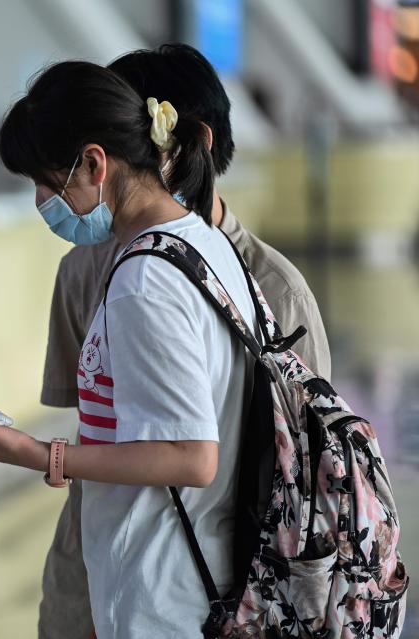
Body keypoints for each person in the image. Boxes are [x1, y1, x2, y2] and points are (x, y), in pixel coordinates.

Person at [0, 57, 302, 637]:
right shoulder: (202, 245)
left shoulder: (146, 278)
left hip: (166, 598)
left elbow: (191, 457)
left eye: (44, 180)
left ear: (93, 162)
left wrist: (39, 454)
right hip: (198, 579)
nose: (39, 201)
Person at [34, 45, 332, 639]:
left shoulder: (274, 290)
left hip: (211, 590)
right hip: (97, 574)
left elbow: (298, 468)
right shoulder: (85, 271)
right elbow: (101, 432)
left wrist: (36, 455)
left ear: (184, 140)